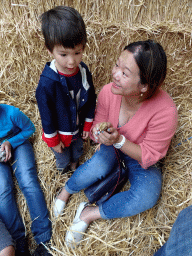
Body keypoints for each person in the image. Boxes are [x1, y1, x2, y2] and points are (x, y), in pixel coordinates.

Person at [54, 39, 178, 247]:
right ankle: (66, 191)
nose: (115, 74)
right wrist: (98, 133)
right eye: (117, 65)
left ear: (145, 85)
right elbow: (96, 131)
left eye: (125, 73)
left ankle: (88, 213)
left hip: (140, 158)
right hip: (112, 146)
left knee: (147, 195)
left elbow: (149, 155)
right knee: (99, 164)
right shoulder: (108, 92)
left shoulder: (166, 111)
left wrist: (119, 140)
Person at [36, 6, 96, 182]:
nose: (72, 61)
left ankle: (74, 167)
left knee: (77, 151)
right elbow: (46, 116)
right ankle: (64, 173)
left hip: (77, 129)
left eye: (77, 53)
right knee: (62, 157)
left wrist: (87, 125)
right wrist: (53, 141)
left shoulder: (83, 71)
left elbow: (91, 98)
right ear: (50, 50)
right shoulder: (47, 83)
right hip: (61, 131)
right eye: (63, 54)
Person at [0, 104, 52, 256]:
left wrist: (10, 143)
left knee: (28, 181)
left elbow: (30, 129)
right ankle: (18, 242)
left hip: (18, 143)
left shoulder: (11, 113)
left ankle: (44, 238)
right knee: (3, 189)